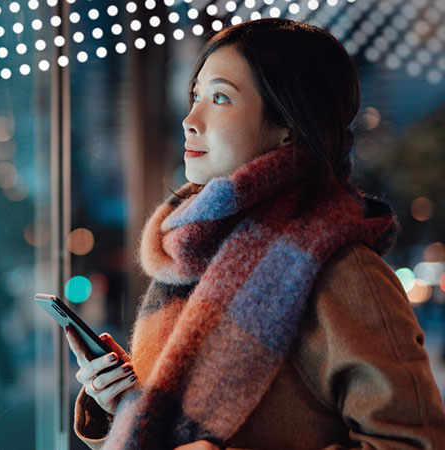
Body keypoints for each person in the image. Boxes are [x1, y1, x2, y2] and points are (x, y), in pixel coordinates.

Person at [66, 18, 445, 450]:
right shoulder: (192, 253)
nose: (191, 119)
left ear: (288, 127)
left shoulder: (343, 272)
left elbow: (413, 443)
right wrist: (118, 403)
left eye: (220, 98)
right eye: (195, 97)